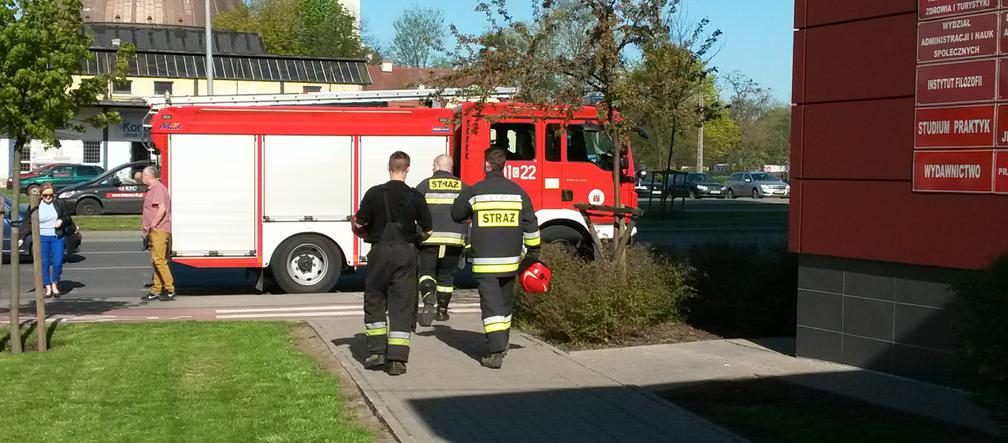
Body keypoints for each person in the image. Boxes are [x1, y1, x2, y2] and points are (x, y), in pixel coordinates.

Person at [451, 148, 541, 369]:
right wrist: (533, 254)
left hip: (485, 264)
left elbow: (456, 214)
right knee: (504, 303)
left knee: (491, 307)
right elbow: (531, 225)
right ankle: (504, 342)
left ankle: (495, 351)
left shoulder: (475, 192)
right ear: (504, 166)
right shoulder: (519, 193)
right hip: (511, 262)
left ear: (486, 165)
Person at [353, 151, 432, 376]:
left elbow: (359, 223)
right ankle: (397, 359)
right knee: (402, 304)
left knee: (375, 299)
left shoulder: (374, 193)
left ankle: (377, 353)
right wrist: (416, 239)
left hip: (379, 252)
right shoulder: (416, 196)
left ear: (389, 168)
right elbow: (428, 229)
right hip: (406, 253)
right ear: (407, 169)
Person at [414, 154, 468, 326]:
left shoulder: (424, 185)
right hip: (454, 240)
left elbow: (414, 210)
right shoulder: (463, 187)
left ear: (437, 166)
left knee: (426, 272)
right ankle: (442, 311)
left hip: (429, 240)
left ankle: (429, 296)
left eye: (433, 165)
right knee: (446, 275)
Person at [31, 183, 74, 298]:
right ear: (41, 195)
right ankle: (48, 287)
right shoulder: (36, 205)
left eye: (50, 194)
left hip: (57, 237)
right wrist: (21, 237)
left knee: (57, 262)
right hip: (41, 238)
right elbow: (27, 221)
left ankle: (55, 283)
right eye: (45, 195)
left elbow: (68, 217)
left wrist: (61, 221)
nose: (48, 197)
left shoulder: (59, 203)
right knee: (44, 263)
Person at [141, 166, 175, 302]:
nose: (141, 178)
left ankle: (170, 289)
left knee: (159, 261)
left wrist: (153, 225)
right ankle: (156, 289)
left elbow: (162, 208)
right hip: (155, 231)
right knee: (156, 261)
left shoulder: (158, 189)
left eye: (143, 175)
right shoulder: (152, 189)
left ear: (148, 176)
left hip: (159, 230)